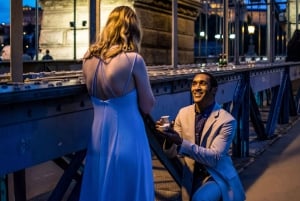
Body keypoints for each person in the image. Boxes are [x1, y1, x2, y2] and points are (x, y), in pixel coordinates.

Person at [79, 6, 155, 201]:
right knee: (129, 192)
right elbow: (147, 106)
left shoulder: (88, 58)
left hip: (98, 140)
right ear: (133, 29)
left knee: (100, 191)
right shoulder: (133, 60)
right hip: (129, 138)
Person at [156, 72, 245, 201]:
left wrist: (180, 142)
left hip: (216, 175)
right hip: (191, 176)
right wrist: (169, 139)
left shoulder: (226, 120)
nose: (197, 87)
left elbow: (214, 159)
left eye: (202, 83)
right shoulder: (183, 113)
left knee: (201, 199)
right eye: (194, 84)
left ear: (214, 90)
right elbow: (171, 154)